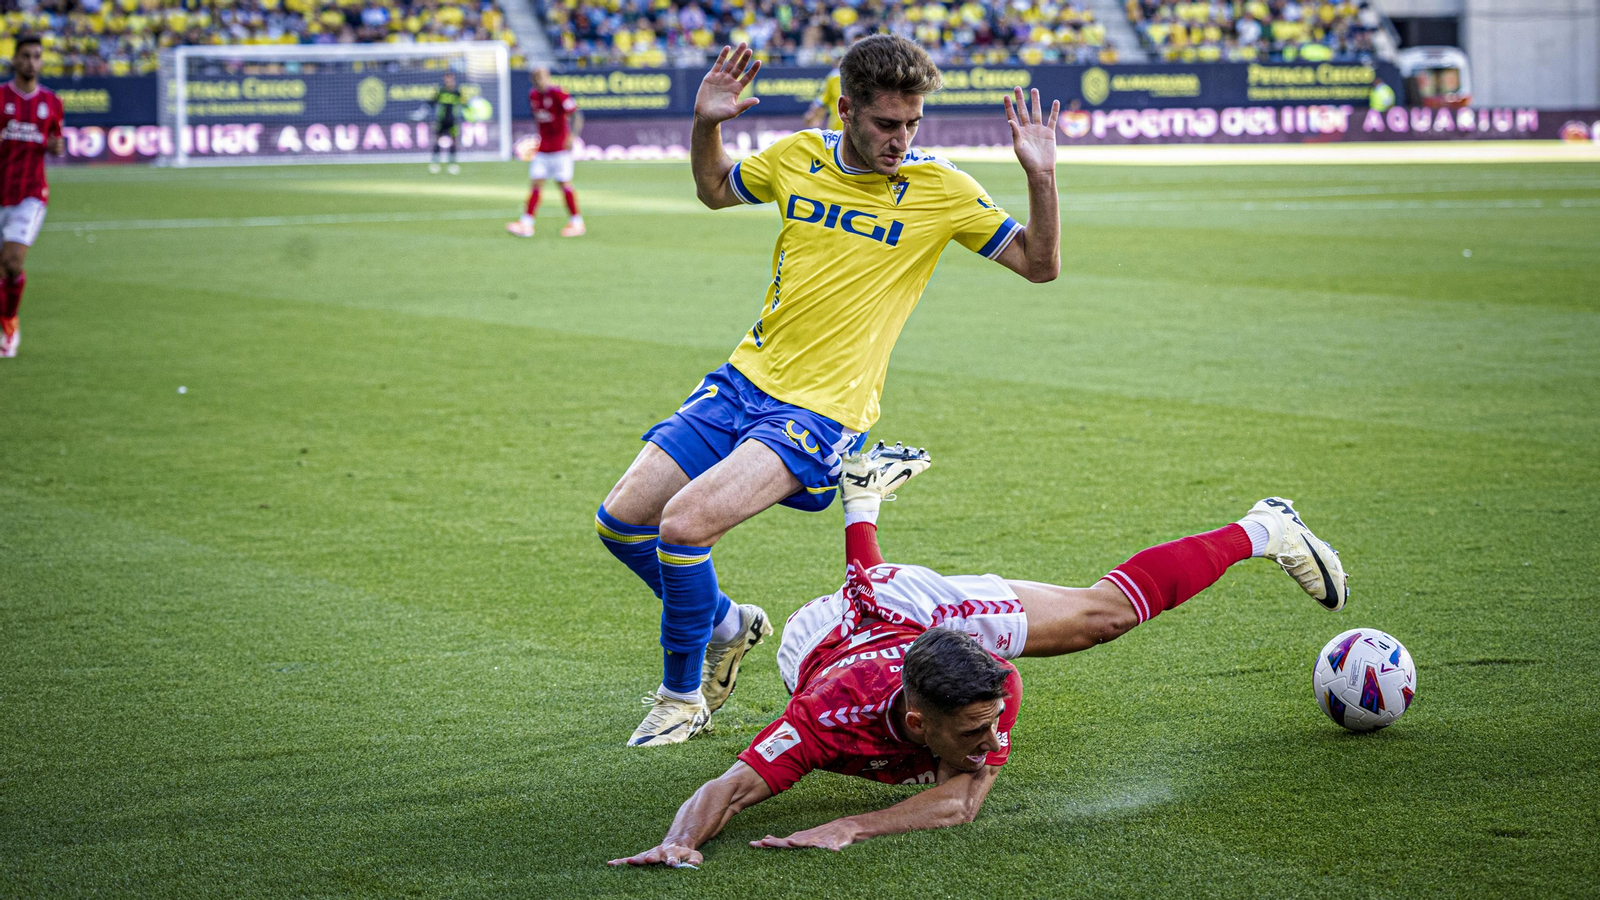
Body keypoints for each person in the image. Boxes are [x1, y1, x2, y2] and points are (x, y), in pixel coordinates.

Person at [596, 35, 1064, 748]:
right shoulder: (797, 157)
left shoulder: (943, 190)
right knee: (622, 521)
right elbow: (715, 189)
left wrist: (1042, 176)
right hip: (743, 380)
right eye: (886, 124)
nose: (901, 140)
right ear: (846, 110)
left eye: (912, 124)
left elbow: (1038, 264)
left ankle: (681, 698)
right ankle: (727, 624)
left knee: (684, 527)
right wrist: (705, 124)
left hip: (823, 409)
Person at [609, 443, 1349, 867]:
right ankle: (861, 496)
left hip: (913, 613)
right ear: (917, 720)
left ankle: (1265, 528)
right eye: (972, 732)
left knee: (1101, 618)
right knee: (870, 595)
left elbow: (960, 801)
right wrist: (677, 843)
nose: (994, 742)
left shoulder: (997, 686)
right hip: (821, 639)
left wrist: (853, 824)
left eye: (990, 723)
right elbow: (728, 790)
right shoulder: (822, 719)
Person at [0, 35, 64, 359]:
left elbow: (57, 142)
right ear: (15, 60)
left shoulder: (52, 102)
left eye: (37, 56)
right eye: (25, 56)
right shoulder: (1, 97)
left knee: (12, 263)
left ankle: (9, 321)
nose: (31, 62)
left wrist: (56, 147)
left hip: (30, 193)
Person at [506, 67, 583, 238]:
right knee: (536, 184)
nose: (540, 81)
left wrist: (572, 137)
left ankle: (577, 223)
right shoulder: (533, 95)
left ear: (547, 77)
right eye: (536, 78)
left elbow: (577, 115)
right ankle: (526, 224)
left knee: (564, 185)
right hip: (543, 149)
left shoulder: (558, 93)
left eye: (542, 77)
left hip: (560, 149)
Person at [429, 72, 464, 174]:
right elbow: (432, 103)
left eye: (450, 79)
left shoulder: (457, 92)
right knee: (437, 140)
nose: (449, 81)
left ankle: (452, 162)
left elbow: (463, 104)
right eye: (447, 79)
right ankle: (435, 162)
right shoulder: (440, 91)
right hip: (441, 120)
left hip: (453, 120)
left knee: (454, 141)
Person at [802, 65, 842, 131]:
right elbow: (822, 101)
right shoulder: (834, 76)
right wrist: (813, 114)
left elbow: (822, 101)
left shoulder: (834, 76)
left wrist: (812, 113)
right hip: (840, 127)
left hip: (838, 127)